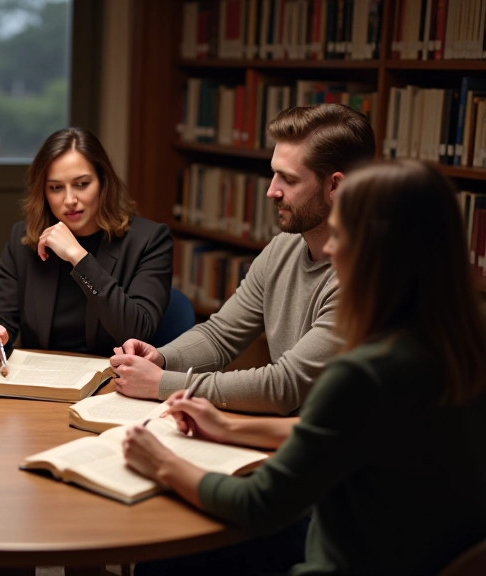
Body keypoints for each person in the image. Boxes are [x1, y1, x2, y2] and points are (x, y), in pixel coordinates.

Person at [124, 160, 486, 575]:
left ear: (378, 250)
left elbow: (260, 504)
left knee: (170, 553)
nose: (329, 249)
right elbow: (350, 428)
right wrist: (233, 427)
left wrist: (162, 463)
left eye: (342, 233)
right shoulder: (461, 348)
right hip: (422, 557)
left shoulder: (365, 375)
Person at [112, 104, 375, 415]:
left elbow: (284, 387)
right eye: (273, 173)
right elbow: (220, 336)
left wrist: (162, 383)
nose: (270, 190)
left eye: (288, 179)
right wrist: (162, 359)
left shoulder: (363, 275)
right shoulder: (283, 249)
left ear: (335, 186)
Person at [0, 127, 173, 362]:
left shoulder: (150, 240)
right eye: (56, 188)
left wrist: (78, 256)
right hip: (40, 385)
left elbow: (137, 331)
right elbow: (0, 318)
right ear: (43, 192)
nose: (69, 200)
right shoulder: (25, 237)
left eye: (81, 184)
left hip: (115, 385)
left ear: (103, 182)